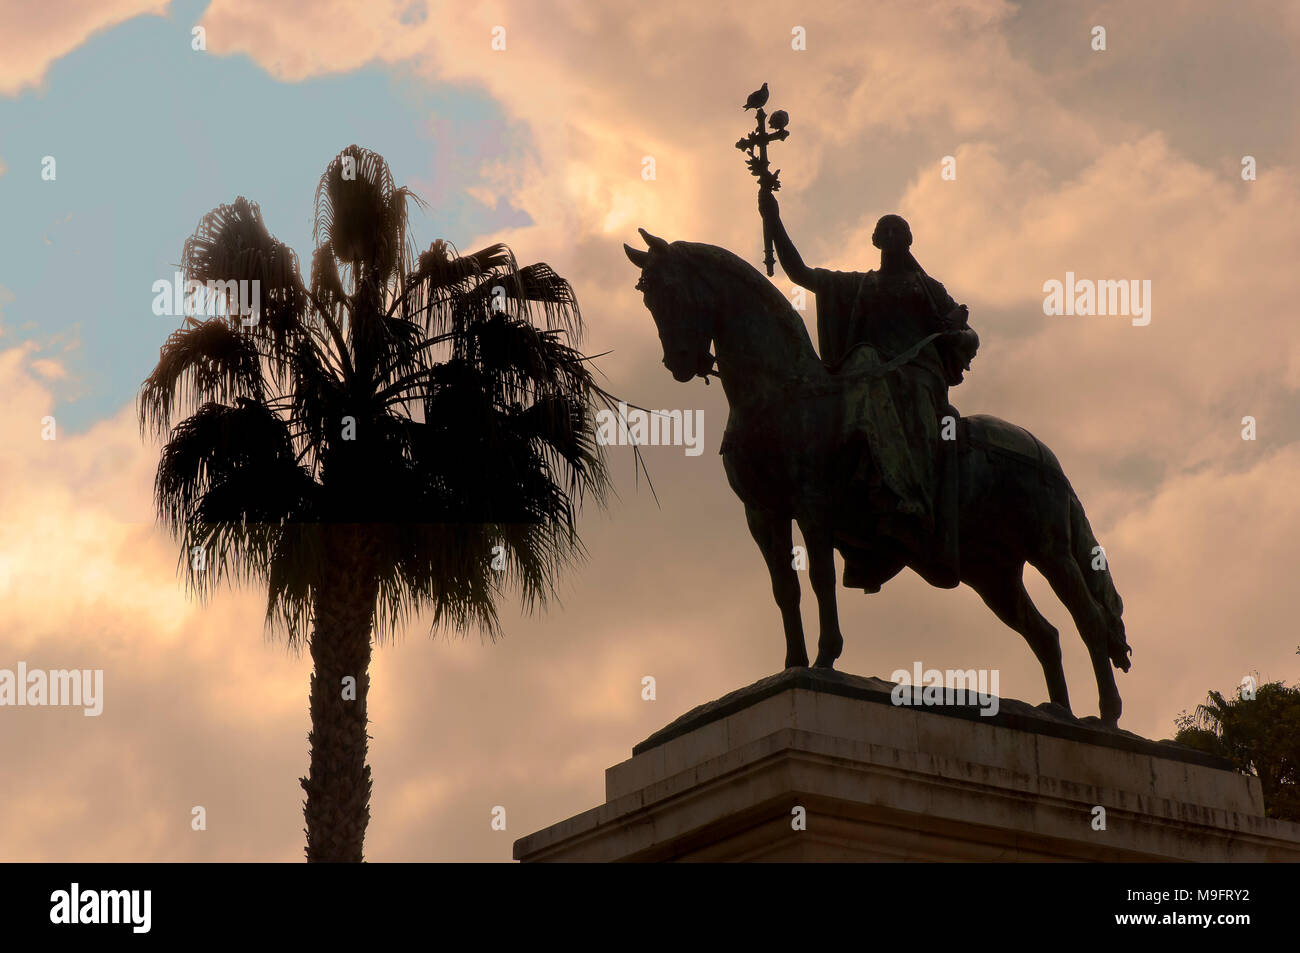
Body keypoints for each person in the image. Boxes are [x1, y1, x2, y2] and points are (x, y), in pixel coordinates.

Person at [758, 189, 978, 589]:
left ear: (908, 241)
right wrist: (773, 220)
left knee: (872, 377)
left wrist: (958, 331)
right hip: (870, 374)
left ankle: (906, 497)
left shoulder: (928, 287)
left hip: (917, 375)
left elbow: (961, 331)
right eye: (885, 230)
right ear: (876, 241)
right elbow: (800, 273)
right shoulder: (858, 286)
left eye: (898, 230)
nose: (891, 236)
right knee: (858, 371)